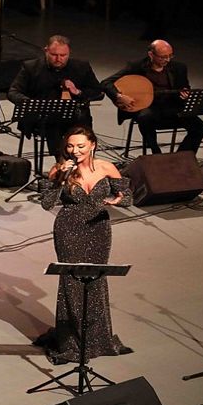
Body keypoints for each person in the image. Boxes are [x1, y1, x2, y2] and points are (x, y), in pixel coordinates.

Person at [35, 126, 132, 365]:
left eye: (80, 146)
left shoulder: (107, 167)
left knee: (96, 280)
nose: (74, 150)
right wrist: (60, 179)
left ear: (92, 145)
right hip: (69, 228)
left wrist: (118, 200)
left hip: (99, 228)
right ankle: (71, 341)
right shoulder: (59, 170)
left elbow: (128, 197)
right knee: (72, 281)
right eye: (70, 146)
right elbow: (47, 203)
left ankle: (99, 339)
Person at [101, 39, 203, 156]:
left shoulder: (179, 68)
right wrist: (119, 96)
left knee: (200, 127)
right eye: (163, 57)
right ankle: (156, 154)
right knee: (145, 117)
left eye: (170, 56)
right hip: (147, 108)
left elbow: (184, 87)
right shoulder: (136, 67)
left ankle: (182, 157)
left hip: (171, 108)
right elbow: (106, 82)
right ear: (151, 54)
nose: (167, 60)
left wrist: (185, 94)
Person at [8, 35, 104, 159]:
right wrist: (32, 104)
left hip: (75, 116)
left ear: (69, 53)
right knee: (53, 126)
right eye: (54, 55)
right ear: (46, 50)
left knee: (82, 129)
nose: (59, 59)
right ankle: (62, 163)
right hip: (43, 118)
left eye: (63, 55)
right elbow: (13, 91)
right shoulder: (31, 67)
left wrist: (78, 92)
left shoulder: (81, 67)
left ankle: (84, 163)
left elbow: (98, 92)